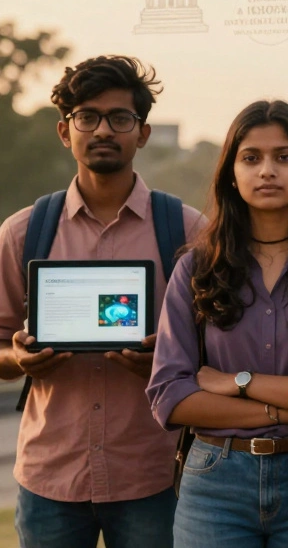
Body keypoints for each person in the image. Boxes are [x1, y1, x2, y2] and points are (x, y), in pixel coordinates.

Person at [0, 56, 203, 547]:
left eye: (120, 118)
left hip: (152, 474)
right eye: (86, 117)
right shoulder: (24, 232)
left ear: (143, 133)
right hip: (51, 473)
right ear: (64, 132)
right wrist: (20, 359)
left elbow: (216, 350)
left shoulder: (188, 232)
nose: (103, 129)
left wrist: (164, 363)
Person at [147, 100, 288, 547]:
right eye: (251, 158)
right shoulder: (197, 268)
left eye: (284, 157)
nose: (267, 171)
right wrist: (286, 408)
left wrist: (238, 381)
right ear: (231, 174)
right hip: (216, 479)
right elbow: (170, 397)